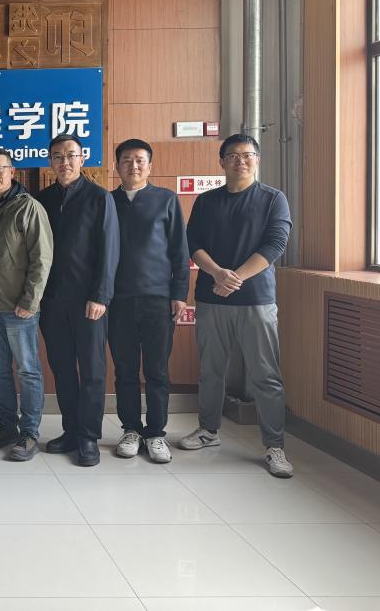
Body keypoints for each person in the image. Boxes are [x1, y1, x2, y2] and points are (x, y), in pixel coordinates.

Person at [177, 133, 294, 478]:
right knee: (211, 370)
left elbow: (275, 244)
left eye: (247, 155)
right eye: (232, 155)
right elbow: (192, 242)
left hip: (256, 300)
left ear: (257, 159)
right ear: (221, 162)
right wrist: (218, 273)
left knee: (265, 374)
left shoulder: (273, 199)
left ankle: (274, 445)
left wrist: (235, 278)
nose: (240, 161)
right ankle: (208, 430)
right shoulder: (206, 201)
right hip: (211, 296)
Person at [35, 134, 119, 467]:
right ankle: (70, 430)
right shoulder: (41, 200)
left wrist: (101, 295)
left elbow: (109, 250)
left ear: (82, 159)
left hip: (89, 302)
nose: (64, 162)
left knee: (93, 370)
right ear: (50, 162)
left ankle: (88, 437)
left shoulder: (99, 197)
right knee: (62, 368)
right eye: (58, 156)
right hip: (52, 301)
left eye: (71, 155)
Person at [0, 147, 53, 461]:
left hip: (20, 309)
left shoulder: (28, 207)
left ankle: (29, 433)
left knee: (28, 371)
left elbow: (42, 258)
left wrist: (31, 300)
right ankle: (6, 426)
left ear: (12, 172)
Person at [108, 139, 190, 464]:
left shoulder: (166, 200)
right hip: (118, 300)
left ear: (150, 166)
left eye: (140, 160)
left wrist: (179, 294)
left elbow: (179, 250)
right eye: (127, 160)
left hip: (158, 299)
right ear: (117, 166)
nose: (134, 166)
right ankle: (131, 429)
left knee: (157, 371)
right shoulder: (107, 201)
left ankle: (156, 433)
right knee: (125, 370)